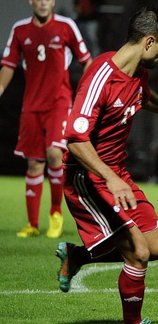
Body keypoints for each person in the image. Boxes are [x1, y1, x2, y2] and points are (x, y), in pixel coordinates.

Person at [54, 7, 158, 324]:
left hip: (115, 174)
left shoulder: (137, 73)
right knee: (139, 250)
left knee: (156, 246)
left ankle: (78, 255)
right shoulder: (100, 77)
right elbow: (75, 139)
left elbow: (143, 95)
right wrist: (110, 179)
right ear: (149, 41)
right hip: (87, 178)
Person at [0, 0, 92, 238]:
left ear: (53, 2)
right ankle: (32, 224)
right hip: (31, 106)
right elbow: (8, 65)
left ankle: (55, 213)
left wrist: (90, 94)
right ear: (31, 1)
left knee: (54, 153)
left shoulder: (66, 26)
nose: (43, 2)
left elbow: (87, 61)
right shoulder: (20, 30)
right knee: (33, 164)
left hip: (59, 103)